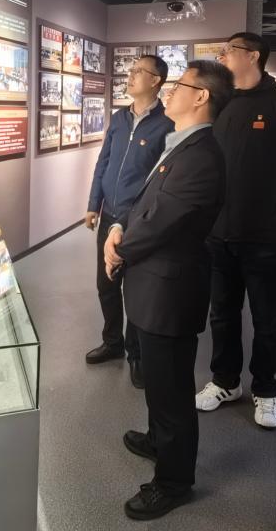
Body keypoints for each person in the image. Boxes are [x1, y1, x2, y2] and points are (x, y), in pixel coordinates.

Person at [103, 60, 233, 521]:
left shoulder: (201, 156)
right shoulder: (180, 144)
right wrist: (118, 225)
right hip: (153, 286)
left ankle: (174, 481)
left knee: (173, 390)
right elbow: (145, 202)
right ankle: (159, 441)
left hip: (170, 293)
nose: (172, 91)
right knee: (159, 381)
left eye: (180, 84)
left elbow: (162, 221)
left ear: (201, 97)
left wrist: (119, 249)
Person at [197, 32, 276, 428]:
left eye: (229, 51)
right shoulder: (221, 105)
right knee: (222, 314)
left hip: (267, 236)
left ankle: (265, 389)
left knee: (268, 319)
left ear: (252, 56)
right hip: (219, 233)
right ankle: (225, 381)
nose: (222, 56)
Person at [85, 55, 174, 387]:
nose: (131, 74)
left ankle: (136, 354)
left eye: (139, 71)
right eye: (131, 70)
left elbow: (161, 178)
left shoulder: (167, 124)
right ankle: (112, 343)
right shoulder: (119, 118)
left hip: (138, 220)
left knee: (135, 289)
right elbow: (103, 162)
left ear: (156, 80)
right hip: (109, 213)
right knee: (106, 284)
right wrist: (93, 204)